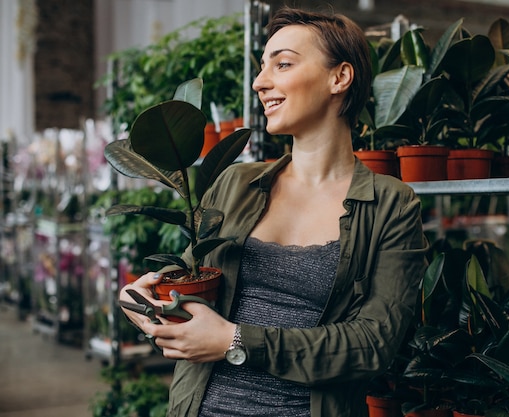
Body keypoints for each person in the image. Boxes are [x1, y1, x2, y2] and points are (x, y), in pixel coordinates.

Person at [119, 6, 428, 417]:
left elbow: (374, 345)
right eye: (262, 67)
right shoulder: (234, 184)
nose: (260, 82)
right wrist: (144, 299)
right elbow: (189, 284)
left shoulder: (392, 205)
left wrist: (236, 340)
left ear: (340, 77)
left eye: (282, 64)